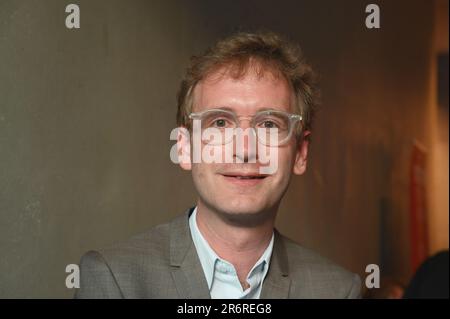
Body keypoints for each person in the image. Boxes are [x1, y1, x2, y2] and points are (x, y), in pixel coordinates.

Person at [75, 31, 361, 299]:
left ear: (300, 153)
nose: (245, 150)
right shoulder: (115, 280)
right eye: (220, 123)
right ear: (184, 148)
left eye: (270, 124)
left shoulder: (338, 291)